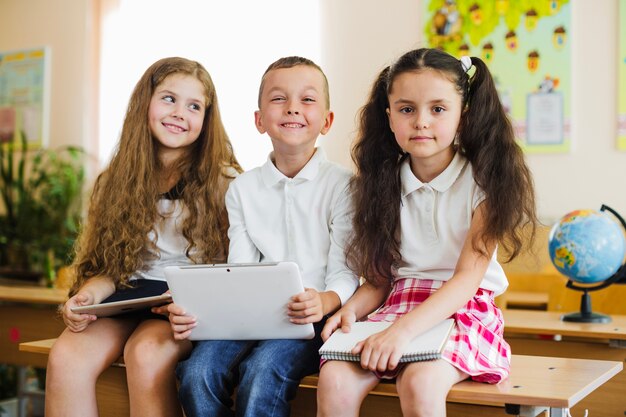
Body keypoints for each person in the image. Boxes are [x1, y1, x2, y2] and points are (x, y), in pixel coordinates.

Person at [316, 48, 538, 417]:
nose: (421, 121)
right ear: (389, 118)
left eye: (438, 109)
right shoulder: (379, 183)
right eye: (406, 109)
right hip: (396, 306)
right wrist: (349, 311)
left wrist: (401, 333)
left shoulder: (486, 182)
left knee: (420, 381)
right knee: (334, 380)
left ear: (462, 118)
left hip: (462, 309)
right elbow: (378, 280)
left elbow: (467, 279)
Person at [45, 57, 242, 417]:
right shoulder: (116, 181)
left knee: (146, 354)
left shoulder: (226, 182)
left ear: (207, 120)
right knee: (65, 356)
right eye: (169, 98)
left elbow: (234, 272)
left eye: (194, 106)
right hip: (127, 299)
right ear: (144, 104)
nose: (180, 112)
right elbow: (112, 268)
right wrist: (88, 295)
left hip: (183, 307)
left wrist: (194, 301)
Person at [168, 56, 360, 417]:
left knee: (260, 373)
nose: (292, 109)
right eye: (278, 99)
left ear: (327, 120)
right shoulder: (242, 189)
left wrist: (327, 299)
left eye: (307, 99)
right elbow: (238, 270)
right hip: (248, 316)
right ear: (259, 120)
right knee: (197, 372)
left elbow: (345, 270)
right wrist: (202, 311)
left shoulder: (343, 186)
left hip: (311, 321)